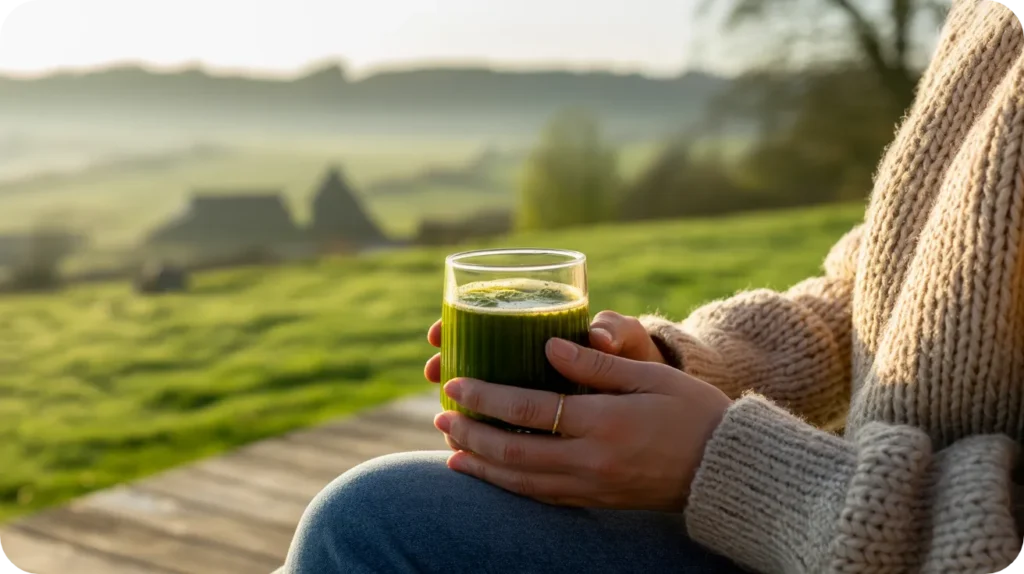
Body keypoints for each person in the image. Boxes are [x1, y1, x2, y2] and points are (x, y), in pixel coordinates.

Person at [282, 1, 1024, 572]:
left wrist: (732, 467)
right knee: (374, 515)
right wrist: (683, 366)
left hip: (845, 531)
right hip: (820, 527)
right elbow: (887, 294)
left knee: (369, 525)